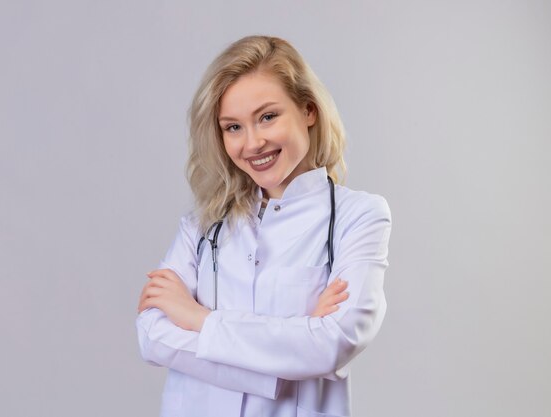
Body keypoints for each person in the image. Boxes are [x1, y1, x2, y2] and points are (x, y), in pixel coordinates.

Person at [136, 35, 391, 417]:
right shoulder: (203, 224)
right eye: (232, 127)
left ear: (308, 110)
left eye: (267, 117)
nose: (252, 143)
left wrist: (196, 318)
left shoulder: (359, 217)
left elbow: (333, 343)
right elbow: (151, 336)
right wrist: (289, 356)